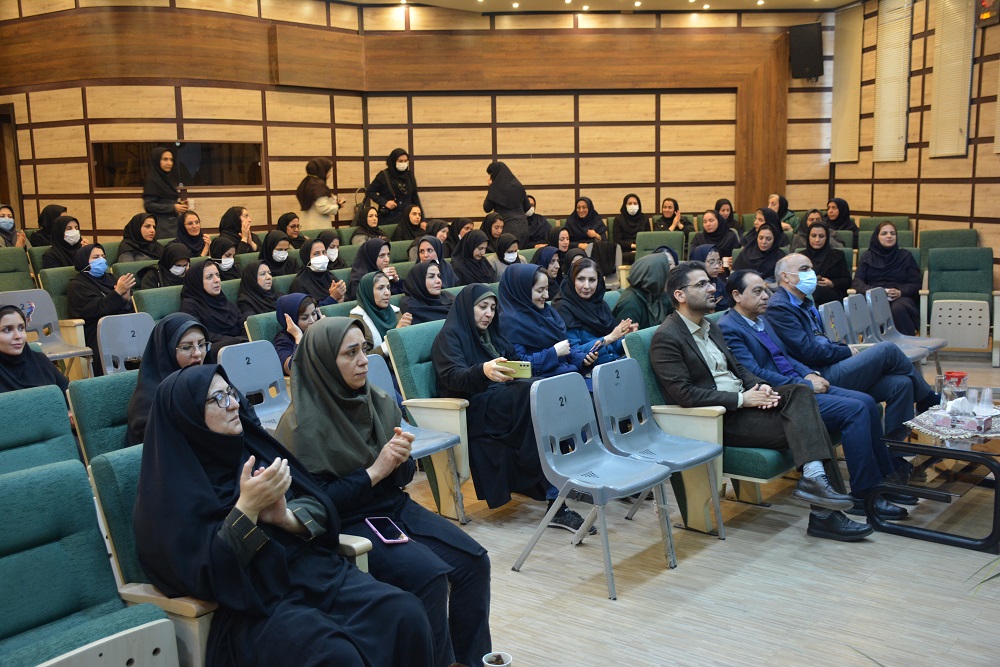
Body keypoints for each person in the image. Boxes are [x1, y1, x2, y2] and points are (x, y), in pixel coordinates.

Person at [132, 364, 435, 667]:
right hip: (253, 605)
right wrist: (247, 509)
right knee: (334, 655)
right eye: (219, 399)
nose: (235, 404)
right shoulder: (171, 491)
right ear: (188, 416)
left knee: (405, 613)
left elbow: (318, 501)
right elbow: (203, 575)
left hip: (312, 574)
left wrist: (285, 518)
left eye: (231, 393)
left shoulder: (252, 447)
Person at [275, 318, 492, 667]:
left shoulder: (375, 399)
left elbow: (399, 479)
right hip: (349, 520)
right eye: (351, 353)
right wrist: (376, 471)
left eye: (364, 349)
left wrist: (401, 461)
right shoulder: (300, 426)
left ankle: (472, 660)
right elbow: (319, 503)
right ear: (325, 362)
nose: (364, 360)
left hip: (392, 506)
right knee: (429, 577)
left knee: (473, 561)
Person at [650, 260, 869, 541]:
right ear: (680, 295)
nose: (712, 288)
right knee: (809, 423)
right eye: (701, 284)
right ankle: (825, 515)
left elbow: (738, 369)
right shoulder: (667, 337)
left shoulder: (710, 326)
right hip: (717, 420)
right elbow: (684, 394)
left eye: (710, 282)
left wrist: (759, 386)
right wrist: (742, 399)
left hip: (744, 406)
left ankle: (816, 485)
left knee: (800, 392)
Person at [719, 270, 915, 520]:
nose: (766, 296)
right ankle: (864, 495)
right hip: (784, 396)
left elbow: (785, 357)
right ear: (737, 295)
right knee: (855, 410)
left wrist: (809, 373)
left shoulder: (761, 320)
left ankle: (883, 481)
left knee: (866, 401)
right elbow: (754, 373)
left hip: (800, 383)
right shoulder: (729, 327)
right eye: (757, 292)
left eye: (765, 290)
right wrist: (805, 384)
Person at [432, 283, 593, 531]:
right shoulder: (449, 337)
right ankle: (556, 500)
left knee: (546, 389)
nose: (489, 314)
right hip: (473, 406)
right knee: (532, 394)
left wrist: (517, 370)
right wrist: (483, 370)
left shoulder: (492, 334)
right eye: (482, 307)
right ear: (466, 307)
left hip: (503, 397)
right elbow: (452, 378)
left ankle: (567, 482)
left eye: (492, 308)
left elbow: (515, 364)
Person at [765, 253, 939, 440]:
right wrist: (845, 351)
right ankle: (927, 399)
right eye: (804, 269)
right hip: (817, 374)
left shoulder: (805, 302)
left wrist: (842, 350)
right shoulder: (779, 307)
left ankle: (895, 451)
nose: (811, 274)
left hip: (830, 363)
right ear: (785, 276)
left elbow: (821, 340)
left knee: (901, 384)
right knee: (887, 349)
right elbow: (808, 351)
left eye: (811, 269)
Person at [498, 264, 597, 378]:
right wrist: (553, 353)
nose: (546, 295)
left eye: (546, 289)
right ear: (522, 291)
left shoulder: (547, 311)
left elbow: (564, 347)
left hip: (567, 375)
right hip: (543, 382)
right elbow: (519, 367)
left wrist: (582, 358)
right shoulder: (509, 322)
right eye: (540, 290)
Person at [126, 313, 209, 445]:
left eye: (201, 344)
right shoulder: (148, 402)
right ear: (167, 351)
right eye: (186, 347)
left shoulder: (213, 381)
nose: (198, 353)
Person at [552, 258, 635, 368]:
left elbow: (614, 348)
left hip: (613, 363)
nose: (587, 286)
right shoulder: (563, 308)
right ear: (572, 279)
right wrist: (609, 338)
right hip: (588, 371)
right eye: (581, 279)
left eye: (592, 280)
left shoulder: (600, 305)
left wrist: (626, 337)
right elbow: (572, 352)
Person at [66, 244, 135, 375]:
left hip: (120, 325)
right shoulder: (77, 285)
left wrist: (125, 299)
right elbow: (95, 309)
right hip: (96, 329)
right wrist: (117, 293)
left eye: (103, 256)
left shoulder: (110, 278)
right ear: (84, 261)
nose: (101, 260)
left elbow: (125, 307)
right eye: (96, 257)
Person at [853, 221, 920, 335]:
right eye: (884, 233)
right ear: (877, 237)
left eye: (892, 233)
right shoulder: (867, 257)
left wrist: (900, 292)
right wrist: (874, 292)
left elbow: (916, 283)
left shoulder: (906, 256)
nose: (889, 236)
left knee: (898, 308)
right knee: (875, 306)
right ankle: (875, 344)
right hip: (873, 296)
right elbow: (857, 282)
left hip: (900, 297)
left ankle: (905, 343)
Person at [180, 260, 248, 350]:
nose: (217, 280)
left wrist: (245, 340)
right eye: (209, 277)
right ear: (197, 281)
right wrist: (237, 341)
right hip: (212, 350)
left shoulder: (226, 303)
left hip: (241, 345)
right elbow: (200, 335)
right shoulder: (189, 306)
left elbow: (244, 327)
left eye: (217, 275)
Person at [0, 305, 67, 396]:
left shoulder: (40, 360)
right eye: (7, 330)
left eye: (21, 328)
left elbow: (70, 395)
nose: (18, 336)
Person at [350, 271, 411, 356]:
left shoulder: (395, 312)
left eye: (388, 287)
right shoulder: (357, 319)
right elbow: (364, 357)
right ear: (368, 291)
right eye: (380, 288)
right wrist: (393, 338)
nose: (387, 293)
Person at [612, 253, 674, 330]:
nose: (670, 280)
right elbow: (627, 336)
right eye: (666, 276)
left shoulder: (659, 295)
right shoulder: (630, 303)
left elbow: (676, 319)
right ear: (655, 277)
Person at [367, 148, 420, 228]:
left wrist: (422, 219)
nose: (403, 163)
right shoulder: (384, 175)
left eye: (405, 161)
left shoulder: (409, 176)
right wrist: (385, 202)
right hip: (388, 220)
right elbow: (370, 191)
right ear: (393, 161)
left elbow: (415, 198)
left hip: (407, 220)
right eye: (400, 161)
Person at [801, 220, 851, 306]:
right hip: (806, 293)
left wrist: (832, 283)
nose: (817, 240)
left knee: (815, 291)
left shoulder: (838, 255)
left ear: (827, 237)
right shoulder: (801, 257)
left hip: (832, 294)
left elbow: (847, 281)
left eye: (821, 236)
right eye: (813, 236)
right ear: (808, 237)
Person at [563, 197, 616, 276]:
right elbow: (565, 243)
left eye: (584, 207)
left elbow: (605, 241)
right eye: (578, 207)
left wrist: (596, 235)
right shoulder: (571, 221)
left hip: (595, 252)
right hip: (577, 251)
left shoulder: (596, 220)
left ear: (590, 208)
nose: (581, 210)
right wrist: (579, 245)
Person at [483, 161, 530, 247]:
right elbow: (527, 207)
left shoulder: (495, 188)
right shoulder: (518, 185)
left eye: (490, 175)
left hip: (506, 227)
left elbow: (487, 208)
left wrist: (490, 187)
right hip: (523, 227)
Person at [732, 209, 785, 284]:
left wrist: (769, 286)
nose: (763, 242)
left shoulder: (780, 257)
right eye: (760, 238)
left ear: (774, 240)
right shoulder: (747, 252)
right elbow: (735, 276)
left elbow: (784, 282)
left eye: (768, 239)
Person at [289, 238, 347, 307]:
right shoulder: (300, 283)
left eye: (324, 252)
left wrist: (342, 298)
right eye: (316, 254)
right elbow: (307, 310)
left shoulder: (331, 277)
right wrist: (333, 298)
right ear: (307, 257)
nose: (322, 256)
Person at [143, 147, 185, 239]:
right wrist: (173, 207)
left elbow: (165, 200)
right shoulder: (152, 180)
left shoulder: (167, 179)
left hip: (173, 225)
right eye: (165, 159)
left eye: (171, 160)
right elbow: (149, 205)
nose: (169, 163)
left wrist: (179, 205)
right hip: (162, 228)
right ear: (157, 160)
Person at [272, 293, 319, 375]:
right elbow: (293, 369)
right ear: (291, 320)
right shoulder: (283, 340)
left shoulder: (317, 330)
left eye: (314, 314)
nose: (312, 320)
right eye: (304, 318)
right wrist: (298, 337)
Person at [296, 157, 345, 228]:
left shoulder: (306, 182)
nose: (330, 173)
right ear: (322, 170)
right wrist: (338, 206)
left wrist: (335, 204)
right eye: (329, 171)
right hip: (318, 226)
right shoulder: (319, 185)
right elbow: (323, 208)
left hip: (306, 224)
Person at [401, 260, 454, 324]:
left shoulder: (447, 296)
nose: (438, 281)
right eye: (431, 276)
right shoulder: (411, 306)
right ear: (419, 281)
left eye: (439, 276)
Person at [689, 245, 730, 311]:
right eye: (711, 262)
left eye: (719, 262)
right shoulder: (691, 286)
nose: (717, 266)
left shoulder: (720, 283)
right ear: (699, 261)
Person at [611, 193, 648, 264]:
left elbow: (647, 238)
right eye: (629, 203)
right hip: (624, 251)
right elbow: (617, 240)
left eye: (635, 203)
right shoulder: (618, 220)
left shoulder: (644, 218)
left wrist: (639, 248)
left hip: (641, 250)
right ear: (625, 205)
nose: (632, 206)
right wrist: (633, 246)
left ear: (639, 205)